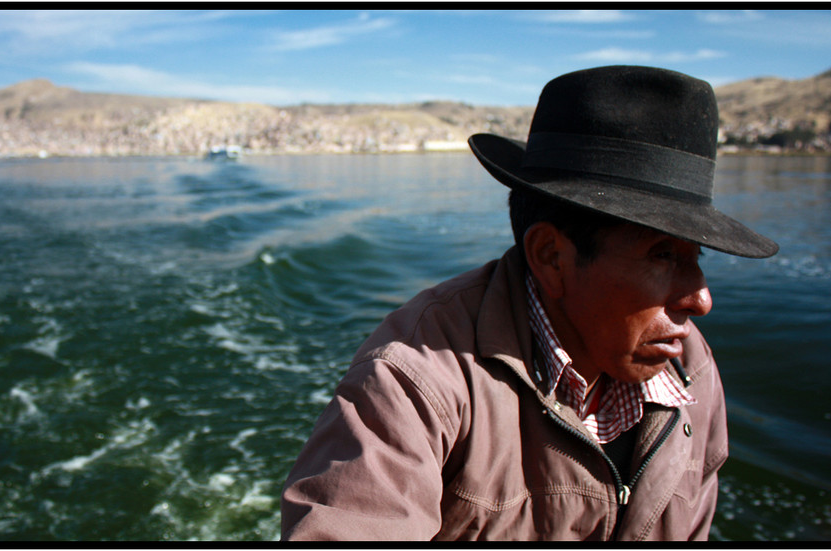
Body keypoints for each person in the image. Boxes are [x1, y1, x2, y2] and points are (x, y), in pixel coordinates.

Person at [279, 65, 779, 541]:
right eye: (663, 255)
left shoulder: (691, 368)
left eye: (699, 257)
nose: (701, 300)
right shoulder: (416, 379)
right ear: (551, 257)